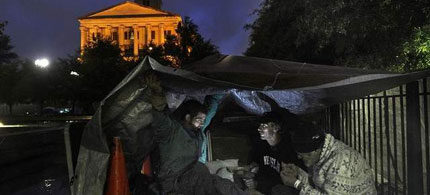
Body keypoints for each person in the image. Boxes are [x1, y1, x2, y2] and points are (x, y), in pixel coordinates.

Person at [144, 74, 249, 195]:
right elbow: (159, 116)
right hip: (176, 182)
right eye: (199, 119)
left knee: (224, 185)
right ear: (188, 117)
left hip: (196, 177)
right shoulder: (173, 130)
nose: (201, 123)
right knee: (206, 178)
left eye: (203, 121)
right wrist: (157, 94)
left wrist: (222, 87)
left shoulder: (197, 133)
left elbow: (211, 108)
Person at [281, 121, 377, 195]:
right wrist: (298, 173)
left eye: (301, 154)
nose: (298, 157)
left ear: (314, 151)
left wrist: (297, 184)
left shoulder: (340, 161)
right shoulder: (324, 154)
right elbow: (319, 185)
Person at [244, 111, 305, 195]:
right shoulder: (263, 146)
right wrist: (252, 175)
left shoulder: (289, 149)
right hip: (265, 187)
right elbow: (260, 167)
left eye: (264, 126)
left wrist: (259, 185)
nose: (259, 128)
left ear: (276, 128)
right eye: (260, 125)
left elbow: (286, 181)